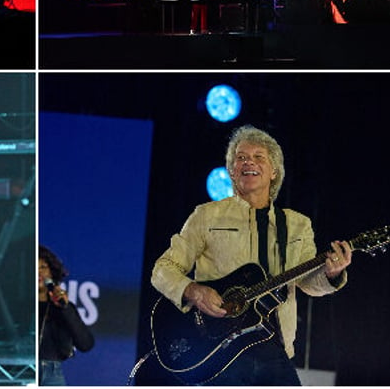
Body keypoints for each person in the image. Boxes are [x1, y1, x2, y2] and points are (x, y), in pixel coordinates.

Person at [150, 125, 352, 385]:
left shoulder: (297, 224)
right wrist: (193, 291)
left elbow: (308, 283)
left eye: (259, 157)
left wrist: (332, 274)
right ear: (232, 171)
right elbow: (162, 269)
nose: (249, 162)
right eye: (241, 158)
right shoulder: (206, 216)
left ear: (274, 171)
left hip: (275, 349)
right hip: (220, 351)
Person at [38, 245, 94, 385]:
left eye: (43, 267)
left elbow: (85, 344)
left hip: (52, 375)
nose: (38, 272)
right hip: (23, 370)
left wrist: (65, 308)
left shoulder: (63, 307)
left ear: (51, 273)